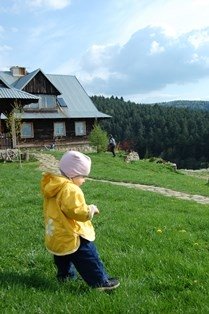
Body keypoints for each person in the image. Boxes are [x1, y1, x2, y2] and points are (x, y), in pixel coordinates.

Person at [41, 150, 120, 291]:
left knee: (62, 256)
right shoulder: (70, 189)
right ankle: (100, 282)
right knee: (88, 256)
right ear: (73, 174)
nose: (84, 180)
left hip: (57, 232)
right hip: (73, 233)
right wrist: (90, 209)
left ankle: (65, 277)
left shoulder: (54, 185)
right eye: (82, 176)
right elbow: (76, 211)